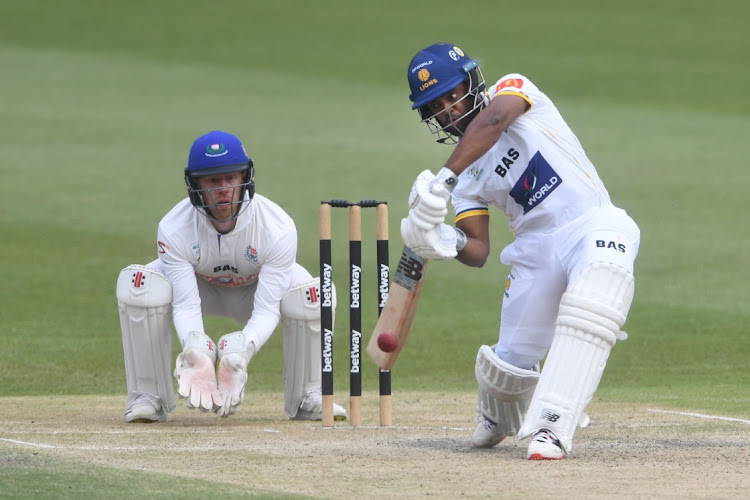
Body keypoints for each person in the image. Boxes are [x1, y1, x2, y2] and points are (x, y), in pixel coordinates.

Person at [400, 43, 640, 459]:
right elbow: (478, 250)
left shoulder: (512, 90)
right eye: (435, 107)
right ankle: (500, 416)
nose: (448, 111)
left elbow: (493, 121)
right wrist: (443, 241)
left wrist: (442, 179)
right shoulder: (467, 177)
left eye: (452, 96)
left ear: (472, 82)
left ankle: (553, 426)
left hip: (592, 222)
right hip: (535, 250)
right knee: (511, 361)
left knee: (597, 292)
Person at [116, 130, 347, 423]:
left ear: (244, 178)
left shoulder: (277, 228)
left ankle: (309, 396)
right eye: (213, 181)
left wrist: (240, 355)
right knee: (140, 284)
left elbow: (266, 308)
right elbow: (186, 305)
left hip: (253, 292)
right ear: (196, 184)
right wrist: (195, 349)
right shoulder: (174, 228)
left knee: (313, 294)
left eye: (230, 178)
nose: (223, 189)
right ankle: (147, 396)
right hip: (202, 290)